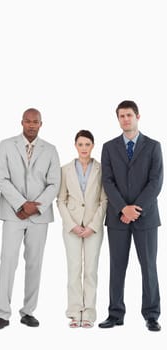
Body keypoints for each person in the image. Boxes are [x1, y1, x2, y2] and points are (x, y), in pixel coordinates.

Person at [0, 108, 61, 329]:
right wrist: (21, 204)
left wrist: (34, 207)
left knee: (34, 263)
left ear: (41, 124)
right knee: (8, 260)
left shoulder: (50, 150)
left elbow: (54, 183)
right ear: (22, 122)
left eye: (36, 122)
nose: (31, 125)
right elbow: (1, 177)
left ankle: (28, 311)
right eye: (28, 121)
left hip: (39, 216)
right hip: (13, 212)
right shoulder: (5, 145)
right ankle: (2, 312)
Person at [99, 101, 163, 332]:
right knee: (117, 266)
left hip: (145, 218)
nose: (125, 119)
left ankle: (151, 315)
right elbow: (107, 180)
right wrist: (122, 208)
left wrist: (135, 209)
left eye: (129, 115)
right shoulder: (109, 147)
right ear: (118, 119)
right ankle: (115, 313)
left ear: (137, 116)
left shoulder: (153, 146)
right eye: (121, 116)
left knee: (149, 266)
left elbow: (155, 182)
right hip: (118, 218)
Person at [57, 130, 107, 328]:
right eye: (80, 144)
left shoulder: (102, 169)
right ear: (75, 146)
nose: (84, 148)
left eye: (87, 144)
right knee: (74, 268)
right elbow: (60, 200)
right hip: (72, 227)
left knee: (91, 270)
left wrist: (93, 226)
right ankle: (74, 311)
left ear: (92, 146)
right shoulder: (65, 169)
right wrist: (72, 225)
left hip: (93, 227)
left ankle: (89, 313)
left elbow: (104, 200)